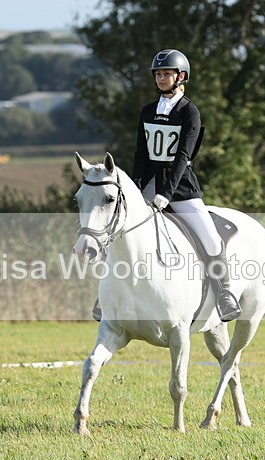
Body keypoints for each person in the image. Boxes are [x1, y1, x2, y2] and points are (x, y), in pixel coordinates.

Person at [93, 48, 240, 322]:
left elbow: (183, 157)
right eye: (158, 74)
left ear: (180, 77)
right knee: (117, 230)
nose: (161, 78)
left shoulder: (189, 112)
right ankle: (106, 296)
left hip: (180, 187)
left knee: (210, 238)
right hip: (149, 185)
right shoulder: (148, 111)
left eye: (167, 74)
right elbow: (141, 155)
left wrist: (166, 194)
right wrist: (135, 189)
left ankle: (224, 294)